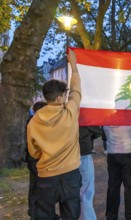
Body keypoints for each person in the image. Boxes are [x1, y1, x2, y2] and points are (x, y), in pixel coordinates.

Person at [27, 49, 82, 219]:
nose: (67, 96)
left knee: (44, 215)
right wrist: (73, 64)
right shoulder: (70, 113)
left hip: (46, 176)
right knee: (71, 215)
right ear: (59, 99)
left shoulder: (34, 121)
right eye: (64, 94)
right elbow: (76, 90)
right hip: (70, 174)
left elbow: (33, 152)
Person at [103, 126, 131, 220]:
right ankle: (130, 217)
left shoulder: (107, 120)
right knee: (129, 189)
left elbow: (105, 134)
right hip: (129, 154)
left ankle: (111, 216)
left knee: (113, 187)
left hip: (112, 154)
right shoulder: (130, 120)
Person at [25, 101, 47, 219]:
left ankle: (34, 212)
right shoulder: (36, 123)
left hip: (32, 159)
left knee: (34, 187)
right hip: (37, 159)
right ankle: (36, 214)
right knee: (38, 188)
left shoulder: (31, 121)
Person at [78, 126, 102, 220]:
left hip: (66, 159)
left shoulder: (64, 116)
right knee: (85, 193)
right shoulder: (85, 118)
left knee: (70, 194)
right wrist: (89, 136)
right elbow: (98, 132)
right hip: (83, 156)